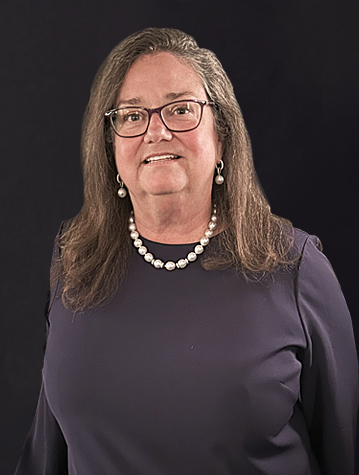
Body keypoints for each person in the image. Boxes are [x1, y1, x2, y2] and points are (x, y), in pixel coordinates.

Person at [15, 27, 358, 475]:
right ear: (111, 147)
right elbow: (46, 454)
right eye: (132, 115)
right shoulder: (75, 260)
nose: (156, 131)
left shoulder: (294, 268)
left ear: (222, 137)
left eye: (180, 109)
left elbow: (346, 452)